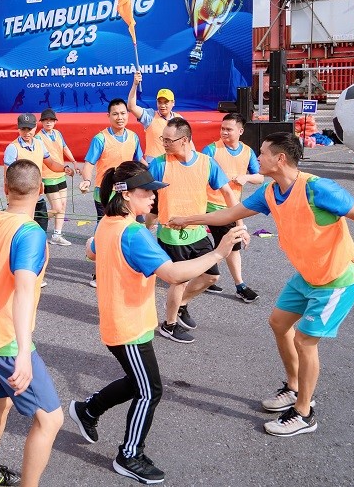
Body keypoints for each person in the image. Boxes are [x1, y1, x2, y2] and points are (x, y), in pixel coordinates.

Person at [169, 132, 354, 437]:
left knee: (305, 341)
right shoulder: (270, 191)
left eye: (262, 153)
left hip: (337, 279)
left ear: (280, 158)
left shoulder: (318, 188)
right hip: (307, 275)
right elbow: (231, 213)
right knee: (279, 323)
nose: (258, 158)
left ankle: (304, 413)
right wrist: (188, 219)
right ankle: (294, 388)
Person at [68, 161, 246, 484]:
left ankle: (87, 410)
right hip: (127, 326)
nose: (153, 197)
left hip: (124, 321)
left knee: (136, 382)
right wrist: (219, 253)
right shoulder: (134, 233)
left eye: (154, 191)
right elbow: (173, 274)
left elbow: (90, 250)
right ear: (125, 194)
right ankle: (129, 455)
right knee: (150, 390)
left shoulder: (108, 222)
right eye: (147, 191)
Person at [0, 160, 62, 487]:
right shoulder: (31, 234)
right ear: (41, 190)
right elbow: (23, 291)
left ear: (5, 188)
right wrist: (23, 353)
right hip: (6, 340)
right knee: (50, 420)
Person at [147, 118, 243, 343]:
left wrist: (240, 224)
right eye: (163, 139)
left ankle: (180, 304)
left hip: (198, 232)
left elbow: (228, 193)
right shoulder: (159, 164)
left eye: (169, 140)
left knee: (211, 276)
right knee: (179, 281)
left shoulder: (206, 163)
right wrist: (141, 224)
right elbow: (144, 196)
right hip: (171, 235)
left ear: (185, 140)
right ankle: (169, 325)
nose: (164, 144)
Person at [79, 98, 143, 286]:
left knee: (133, 229)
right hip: (105, 193)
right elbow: (89, 163)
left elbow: (140, 162)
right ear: (108, 116)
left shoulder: (134, 137)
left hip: (128, 193)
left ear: (128, 115)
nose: (119, 117)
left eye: (123, 113)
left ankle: (129, 267)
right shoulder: (100, 139)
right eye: (115, 114)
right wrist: (86, 180)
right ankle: (99, 271)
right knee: (105, 231)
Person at [201, 113, 264, 300]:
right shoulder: (211, 150)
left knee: (227, 245)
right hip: (208, 205)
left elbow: (260, 177)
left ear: (240, 131)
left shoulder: (247, 152)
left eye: (229, 129)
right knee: (229, 245)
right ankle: (238, 285)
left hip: (231, 207)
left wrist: (246, 177)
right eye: (222, 128)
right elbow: (197, 174)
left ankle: (208, 277)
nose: (224, 132)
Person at [3, 113, 70, 237]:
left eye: (29, 129)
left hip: (37, 197)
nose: (26, 132)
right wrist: (9, 197)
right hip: (20, 199)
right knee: (20, 234)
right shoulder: (13, 148)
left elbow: (50, 163)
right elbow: (8, 176)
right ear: (18, 129)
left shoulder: (39, 144)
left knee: (41, 233)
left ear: (35, 127)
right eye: (23, 129)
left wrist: (64, 168)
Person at [36, 108, 79, 246]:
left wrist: (74, 162)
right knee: (57, 208)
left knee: (63, 206)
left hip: (61, 174)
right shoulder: (38, 138)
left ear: (55, 121)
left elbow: (65, 148)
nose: (48, 122)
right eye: (45, 120)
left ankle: (57, 235)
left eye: (51, 120)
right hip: (48, 177)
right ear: (41, 122)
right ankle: (33, 218)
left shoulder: (58, 133)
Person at [127, 71, 181, 161]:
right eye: (159, 102)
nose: (162, 105)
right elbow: (131, 107)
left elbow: (187, 142)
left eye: (166, 102)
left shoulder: (179, 119)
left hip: (173, 163)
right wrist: (135, 84)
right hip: (154, 163)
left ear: (173, 103)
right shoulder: (150, 116)